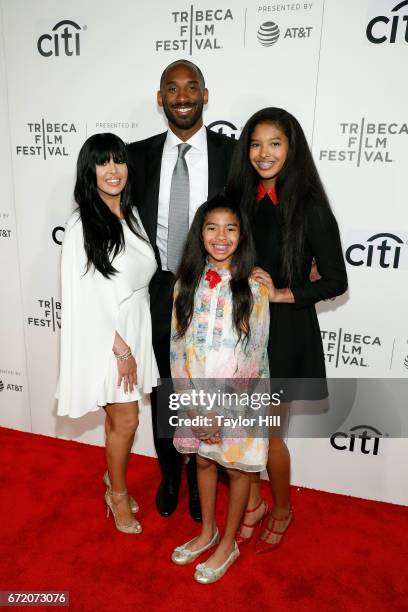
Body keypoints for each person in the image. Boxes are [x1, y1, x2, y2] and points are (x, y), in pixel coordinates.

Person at [227, 107, 348, 553]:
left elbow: (336, 279)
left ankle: (281, 509)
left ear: (291, 148)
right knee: (242, 429)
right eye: (256, 144)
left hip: (287, 334)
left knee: (269, 433)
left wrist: (281, 293)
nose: (264, 153)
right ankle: (254, 503)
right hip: (239, 332)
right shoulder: (239, 197)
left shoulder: (309, 207)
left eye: (274, 143)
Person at [127, 60, 236, 521]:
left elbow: (259, 221)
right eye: (172, 88)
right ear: (160, 99)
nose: (182, 95)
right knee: (166, 391)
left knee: (208, 390)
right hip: (157, 290)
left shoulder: (233, 155)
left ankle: (202, 481)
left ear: (206, 95)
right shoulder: (136, 156)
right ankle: (171, 475)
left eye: (192, 87)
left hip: (213, 289)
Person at [57, 133, 159, 534]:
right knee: (127, 420)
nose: (113, 170)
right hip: (108, 336)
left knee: (120, 421)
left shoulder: (130, 216)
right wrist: (120, 349)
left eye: (119, 161)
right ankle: (117, 494)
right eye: (103, 163)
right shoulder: (82, 224)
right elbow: (82, 295)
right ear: (89, 170)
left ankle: (112, 479)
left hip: (136, 323)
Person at [169, 194, 270, 583]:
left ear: (242, 235)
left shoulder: (255, 288)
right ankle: (207, 530)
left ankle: (229, 543)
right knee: (204, 460)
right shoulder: (185, 285)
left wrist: (219, 411)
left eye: (231, 228)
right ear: (200, 234)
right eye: (212, 228)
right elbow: (177, 349)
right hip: (197, 397)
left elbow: (253, 356)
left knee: (238, 468)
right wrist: (194, 406)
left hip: (239, 402)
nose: (221, 236)